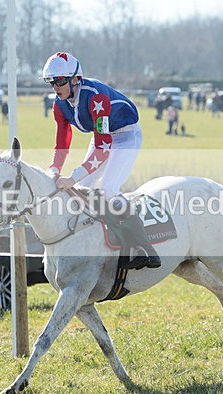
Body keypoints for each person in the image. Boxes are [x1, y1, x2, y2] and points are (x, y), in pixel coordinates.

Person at [42, 51, 160, 270]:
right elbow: (63, 140)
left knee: (108, 189)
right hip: (101, 138)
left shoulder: (96, 97)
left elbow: (104, 149)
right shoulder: (59, 105)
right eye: (51, 82)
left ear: (75, 78)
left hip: (125, 136)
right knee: (81, 189)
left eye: (59, 81)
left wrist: (72, 176)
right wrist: (54, 169)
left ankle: (145, 248)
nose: (55, 87)